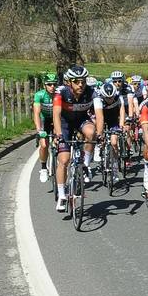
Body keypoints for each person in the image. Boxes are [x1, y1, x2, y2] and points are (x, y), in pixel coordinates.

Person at [52, 65, 102, 212]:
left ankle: (85, 165)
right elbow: (56, 114)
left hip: (81, 120)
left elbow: (99, 114)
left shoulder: (92, 92)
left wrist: (99, 134)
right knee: (64, 160)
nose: (81, 84)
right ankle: (62, 196)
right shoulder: (60, 92)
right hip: (64, 123)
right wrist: (59, 135)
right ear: (69, 82)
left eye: (83, 81)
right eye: (77, 81)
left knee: (91, 133)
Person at [33, 73, 57, 183]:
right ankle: (43, 168)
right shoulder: (39, 95)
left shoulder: (58, 95)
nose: (52, 87)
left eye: (54, 84)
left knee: (59, 141)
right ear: (45, 85)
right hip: (44, 120)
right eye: (49, 84)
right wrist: (39, 130)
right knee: (43, 144)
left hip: (56, 119)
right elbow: (37, 113)